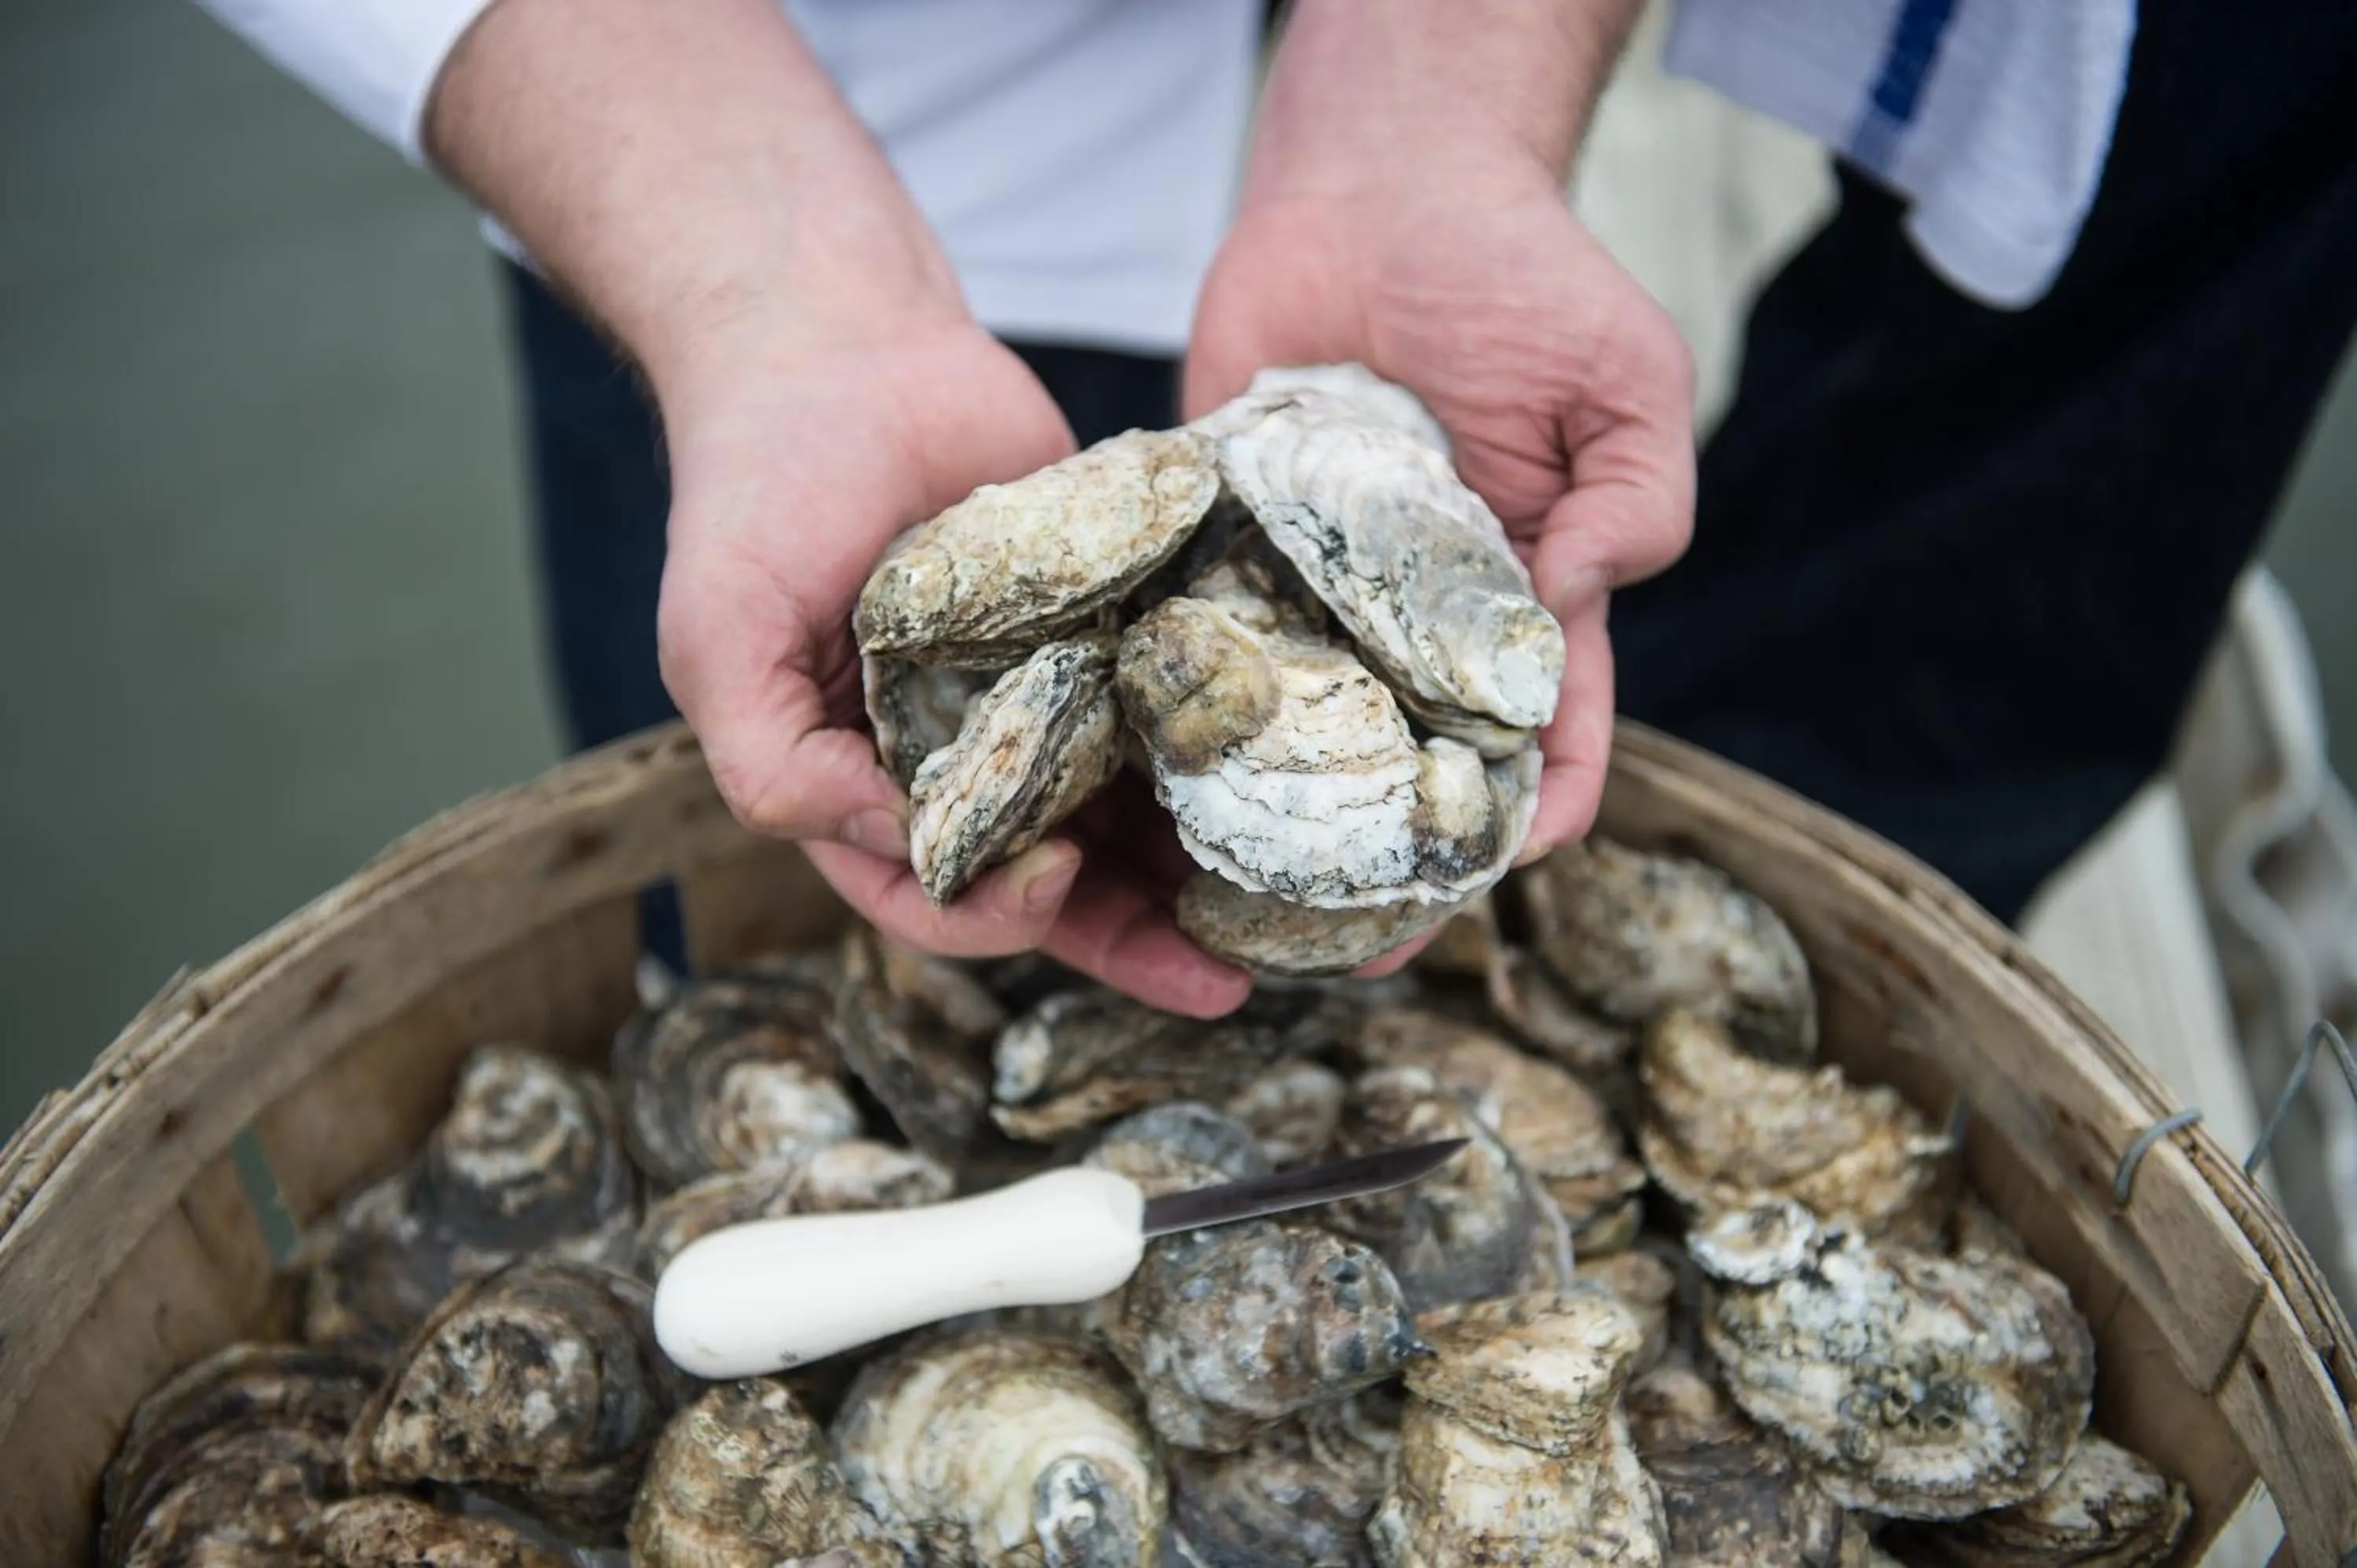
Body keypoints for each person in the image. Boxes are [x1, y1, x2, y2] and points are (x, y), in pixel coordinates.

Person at [191, 0, 2357, 1020]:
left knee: (1946, 635)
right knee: (844, 782)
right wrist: (760, 299)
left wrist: (1439, 89)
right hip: (787, 73)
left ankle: (1662, 993)